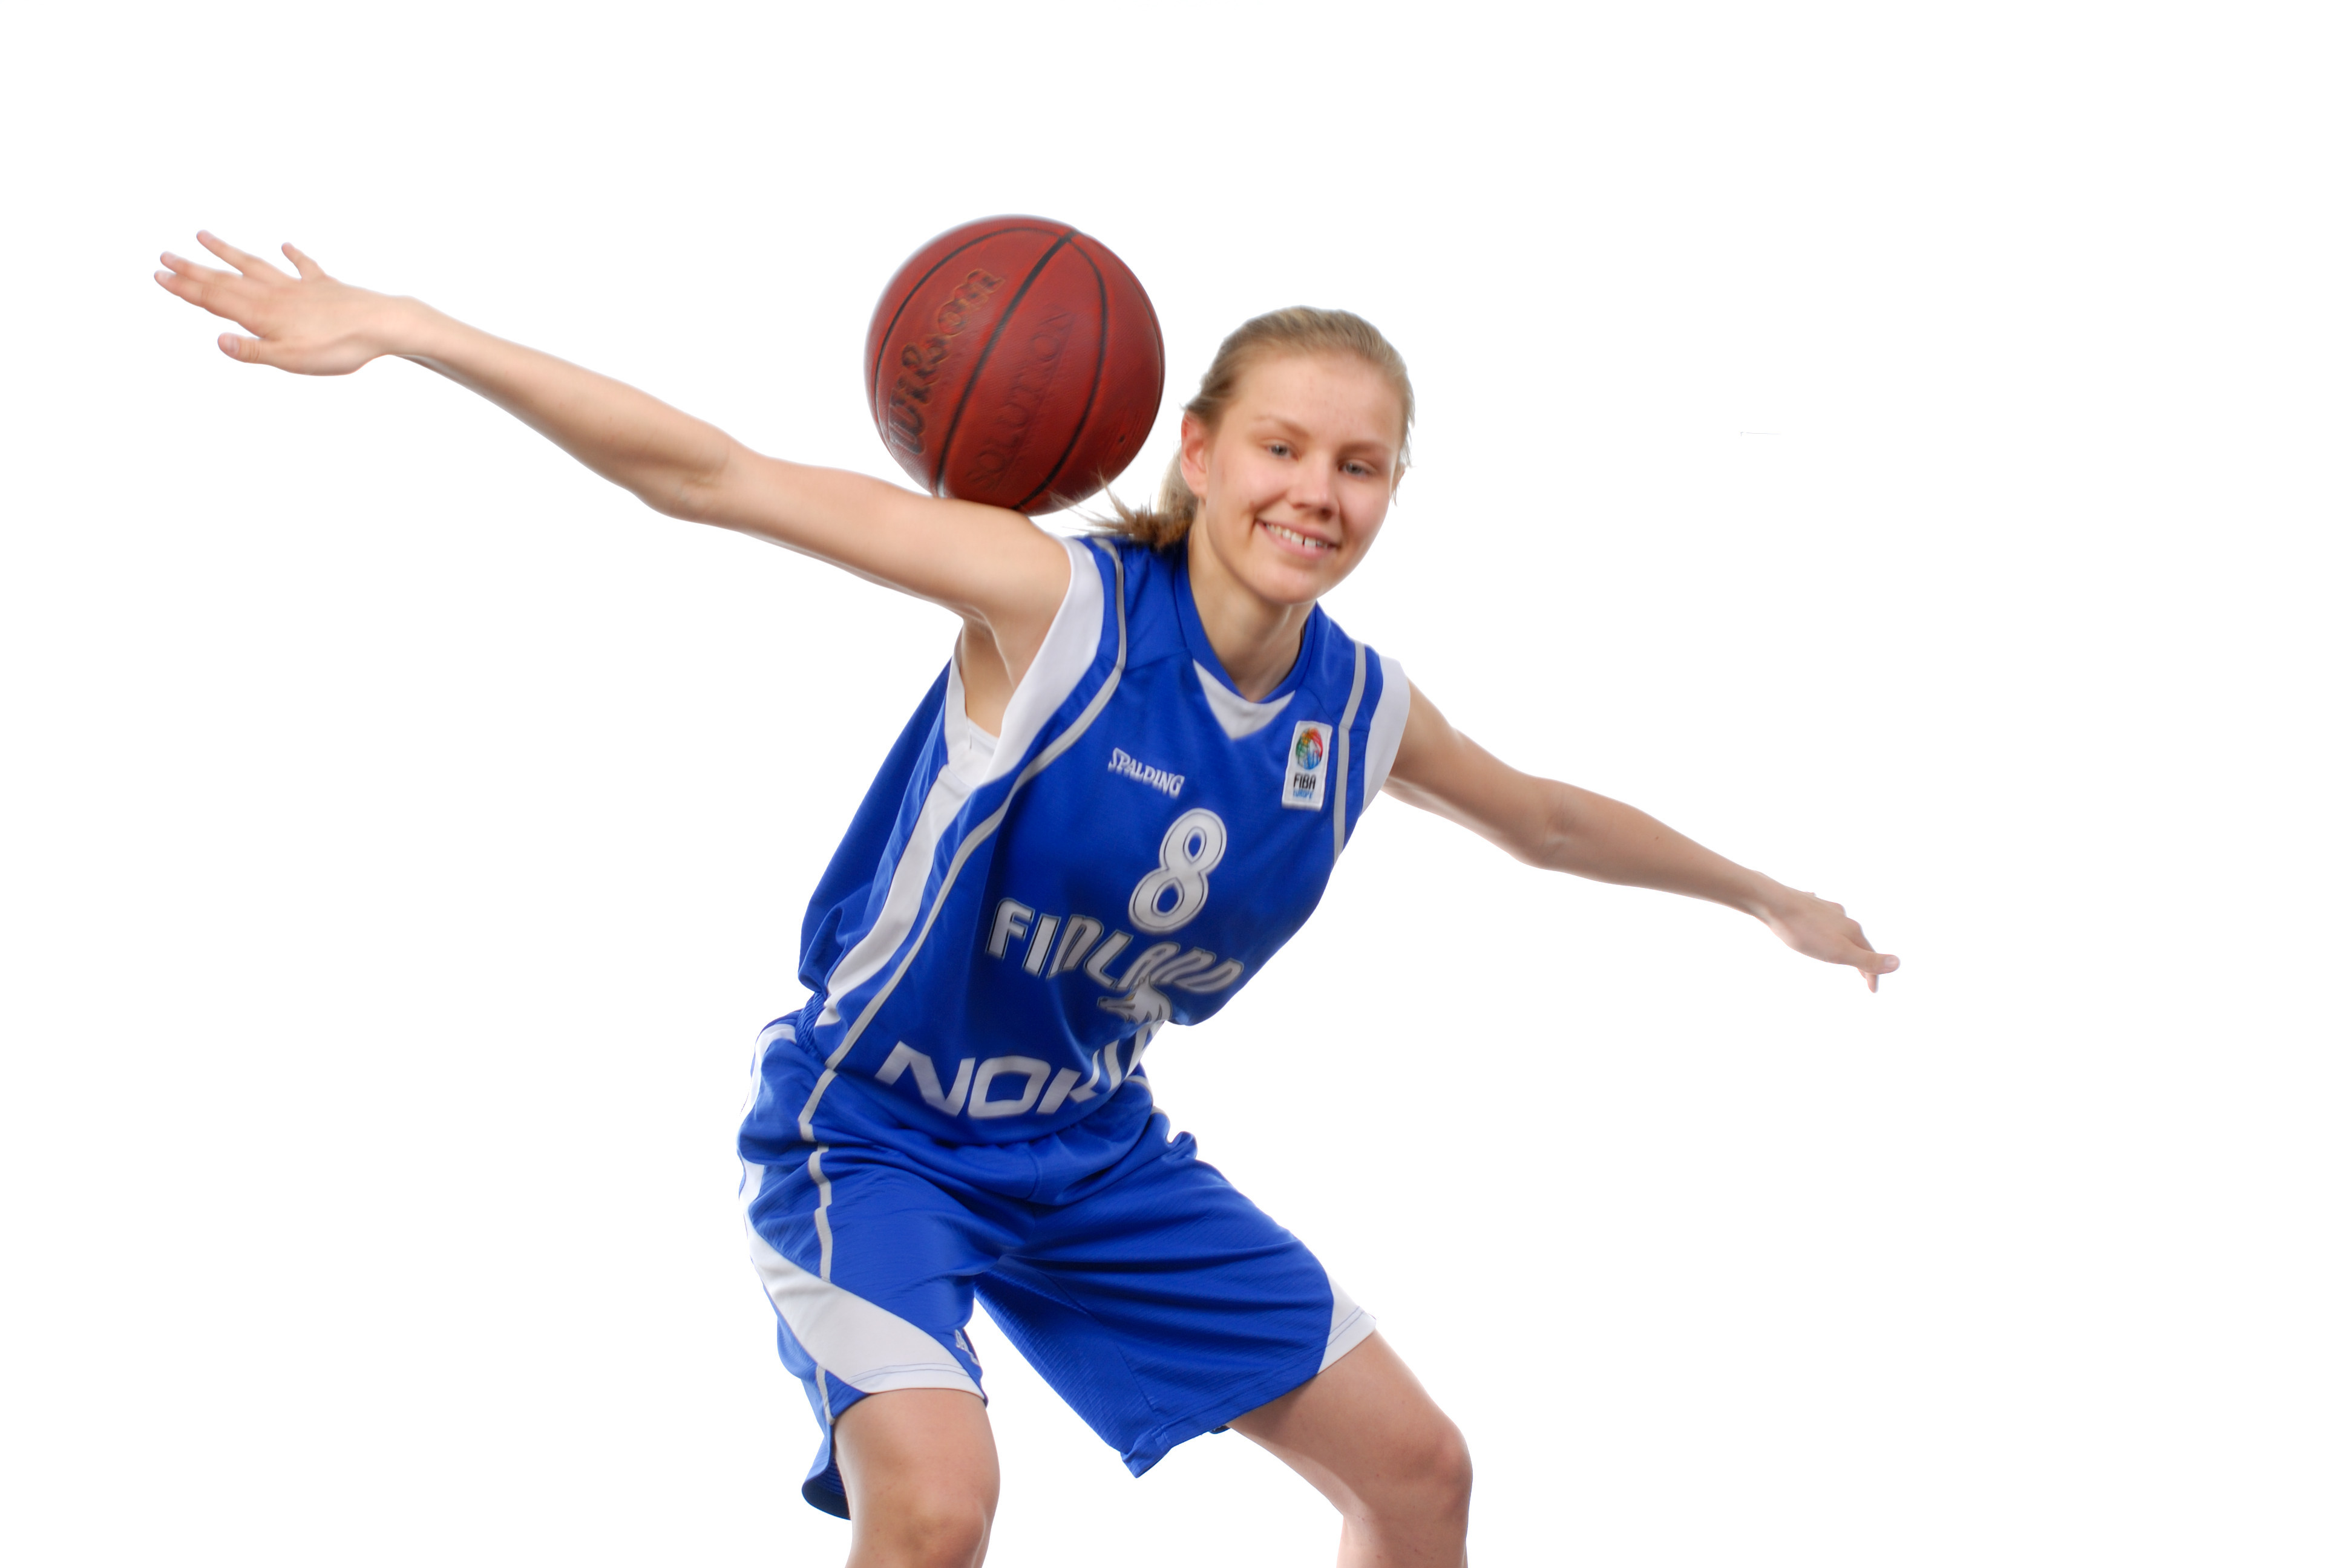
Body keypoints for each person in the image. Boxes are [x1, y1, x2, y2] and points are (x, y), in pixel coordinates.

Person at [157, 230, 1897, 1568]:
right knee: (937, 1506)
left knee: (1421, 1472)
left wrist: (1763, 898)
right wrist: (420, 331)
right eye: (1282, 448)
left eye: (1359, 467)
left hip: (1090, 1153)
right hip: (874, 1136)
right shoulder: (1054, 606)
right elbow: (714, 478)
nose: (1316, 493)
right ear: (1197, 450)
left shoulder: (1355, 714)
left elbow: (1544, 817)